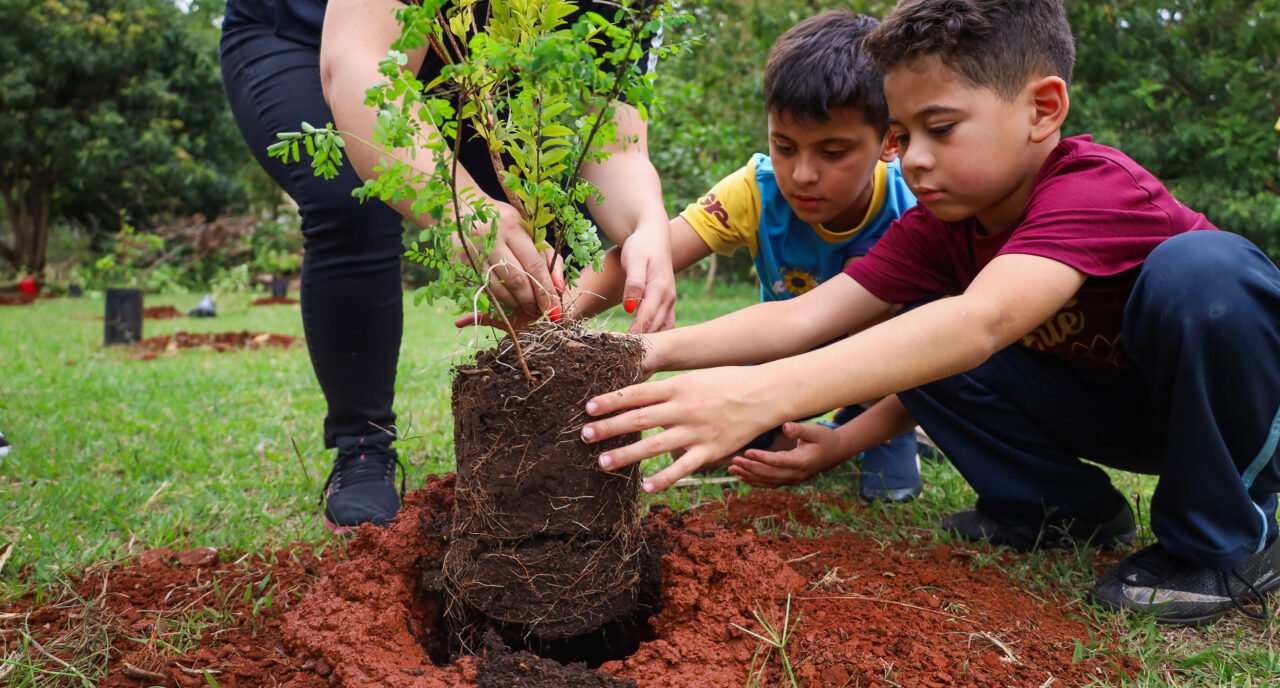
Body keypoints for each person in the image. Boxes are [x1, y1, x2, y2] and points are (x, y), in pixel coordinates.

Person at [579, 0, 1280, 626]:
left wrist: (755, 393)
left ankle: (1226, 541)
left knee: (1205, 274)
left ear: (1043, 109)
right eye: (901, 135)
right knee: (911, 327)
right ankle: (1060, 511)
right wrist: (633, 356)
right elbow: (807, 317)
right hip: (1111, 410)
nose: (913, 159)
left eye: (940, 129)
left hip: (1219, 408)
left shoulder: (1096, 187)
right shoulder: (943, 228)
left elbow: (984, 321)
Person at [220, 0, 676, 534]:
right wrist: (461, 204)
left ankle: (541, 468)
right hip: (306, 34)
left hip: (478, 65)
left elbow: (609, 133)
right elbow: (361, 67)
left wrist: (646, 222)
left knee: (538, 220)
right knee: (354, 195)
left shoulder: (627, 6)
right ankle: (362, 445)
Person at [566, 10, 923, 501]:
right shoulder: (756, 191)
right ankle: (791, 426)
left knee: (887, 488)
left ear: (888, 140)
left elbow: (936, 355)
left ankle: (873, 424)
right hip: (780, 367)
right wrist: (557, 306)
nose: (802, 174)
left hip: (885, 378)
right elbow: (656, 250)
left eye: (832, 153)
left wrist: (841, 445)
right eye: (784, 146)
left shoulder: (915, 212)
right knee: (709, 451)